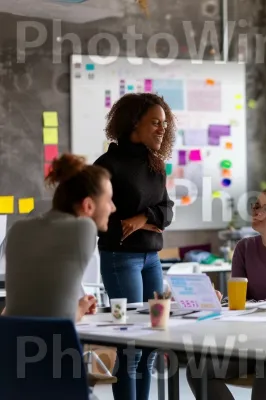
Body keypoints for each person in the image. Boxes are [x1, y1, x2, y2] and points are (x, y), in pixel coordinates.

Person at [186, 187, 266, 400]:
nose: (257, 212)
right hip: (251, 344)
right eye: (256, 206)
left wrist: (255, 304)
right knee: (197, 369)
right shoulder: (243, 248)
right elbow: (239, 301)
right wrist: (219, 302)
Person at [93, 93, 175, 400]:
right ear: (133, 123)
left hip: (151, 258)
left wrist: (142, 219)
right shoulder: (106, 165)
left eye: (164, 124)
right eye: (155, 122)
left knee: (151, 342)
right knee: (129, 345)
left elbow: (167, 211)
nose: (161, 129)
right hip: (119, 258)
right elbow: (100, 217)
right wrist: (140, 222)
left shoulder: (156, 165)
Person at [2, 153, 115, 322]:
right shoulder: (83, 229)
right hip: (54, 343)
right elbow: (59, 320)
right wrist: (79, 309)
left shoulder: (18, 229)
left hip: (10, 341)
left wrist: (79, 307)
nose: (113, 208)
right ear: (88, 205)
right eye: (109, 200)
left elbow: (40, 306)